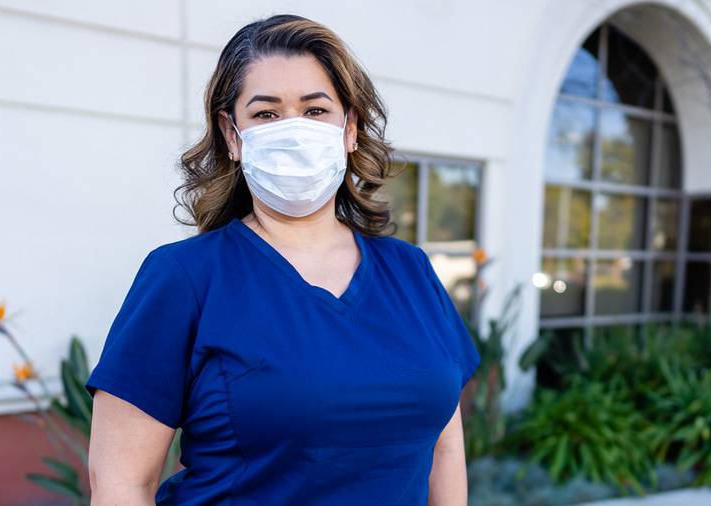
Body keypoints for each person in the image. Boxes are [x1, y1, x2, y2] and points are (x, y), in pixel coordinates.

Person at [85, 13, 481, 505]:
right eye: (266, 114)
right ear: (232, 134)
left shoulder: (411, 272)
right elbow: (121, 484)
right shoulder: (184, 278)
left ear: (350, 128)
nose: (293, 131)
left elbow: (445, 451)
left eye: (315, 111)